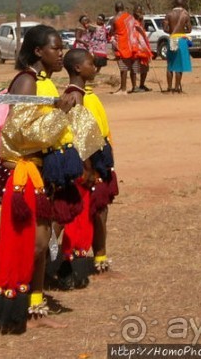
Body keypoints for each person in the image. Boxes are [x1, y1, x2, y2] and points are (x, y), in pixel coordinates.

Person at [0, 25, 91, 330]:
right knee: (28, 243)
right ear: (38, 51)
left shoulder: (43, 83)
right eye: (56, 48)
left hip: (40, 173)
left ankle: (34, 305)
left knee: (41, 243)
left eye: (62, 48)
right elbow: (22, 133)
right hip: (23, 173)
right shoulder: (26, 81)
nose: (61, 54)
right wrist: (60, 114)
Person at [59, 49, 119, 287]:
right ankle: (64, 264)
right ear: (77, 68)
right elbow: (80, 136)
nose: (94, 67)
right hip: (88, 162)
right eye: (90, 63)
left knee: (99, 210)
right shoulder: (75, 96)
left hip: (97, 156)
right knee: (76, 214)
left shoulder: (85, 93)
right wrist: (89, 169)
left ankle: (99, 260)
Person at [164, 0, 193, 93]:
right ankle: (176, 88)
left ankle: (169, 87)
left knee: (170, 64)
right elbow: (189, 30)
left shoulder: (169, 14)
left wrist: (172, 32)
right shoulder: (185, 15)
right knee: (179, 65)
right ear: (183, 4)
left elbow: (165, 29)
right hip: (181, 39)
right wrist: (181, 30)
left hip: (172, 38)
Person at [109, 2, 136, 95]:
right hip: (130, 43)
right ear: (123, 8)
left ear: (115, 9)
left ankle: (123, 89)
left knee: (123, 67)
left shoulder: (114, 19)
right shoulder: (130, 17)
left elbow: (111, 31)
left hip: (120, 44)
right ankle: (123, 87)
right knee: (127, 66)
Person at [131, 5, 153, 92]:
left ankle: (142, 85)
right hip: (135, 47)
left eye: (140, 11)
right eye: (137, 11)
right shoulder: (132, 22)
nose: (139, 13)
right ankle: (134, 87)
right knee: (134, 68)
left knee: (145, 67)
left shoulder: (141, 22)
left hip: (143, 49)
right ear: (134, 12)